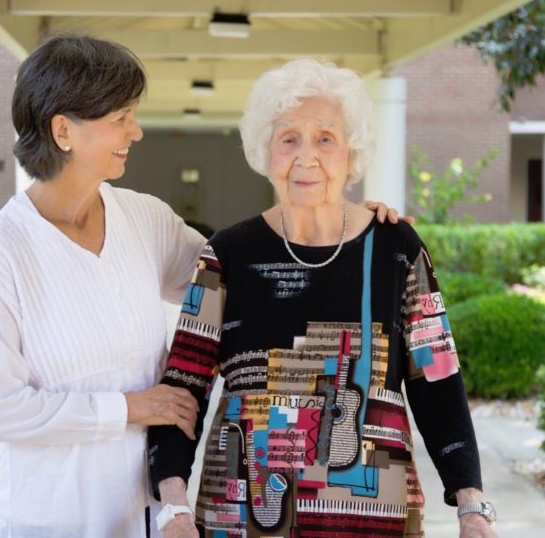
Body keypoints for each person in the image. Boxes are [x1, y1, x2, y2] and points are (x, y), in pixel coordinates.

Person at [0, 35, 404, 537]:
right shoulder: (1, 251)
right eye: (120, 117)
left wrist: (340, 225)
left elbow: (247, 270)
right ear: (63, 130)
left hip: (142, 517)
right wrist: (129, 407)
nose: (137, 130)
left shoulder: (143, 219)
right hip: (44, 519)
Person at [148, 60, 499, 538]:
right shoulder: (228, 255)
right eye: (288, 138)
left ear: (351, 153)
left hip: (376, 519)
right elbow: (182, 391)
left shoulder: (397, 250)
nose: (305, 157)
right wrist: (173, 508)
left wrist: (472, 508)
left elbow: (438, 383)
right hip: (242, 519)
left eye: (325, 138)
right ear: (265, 151)